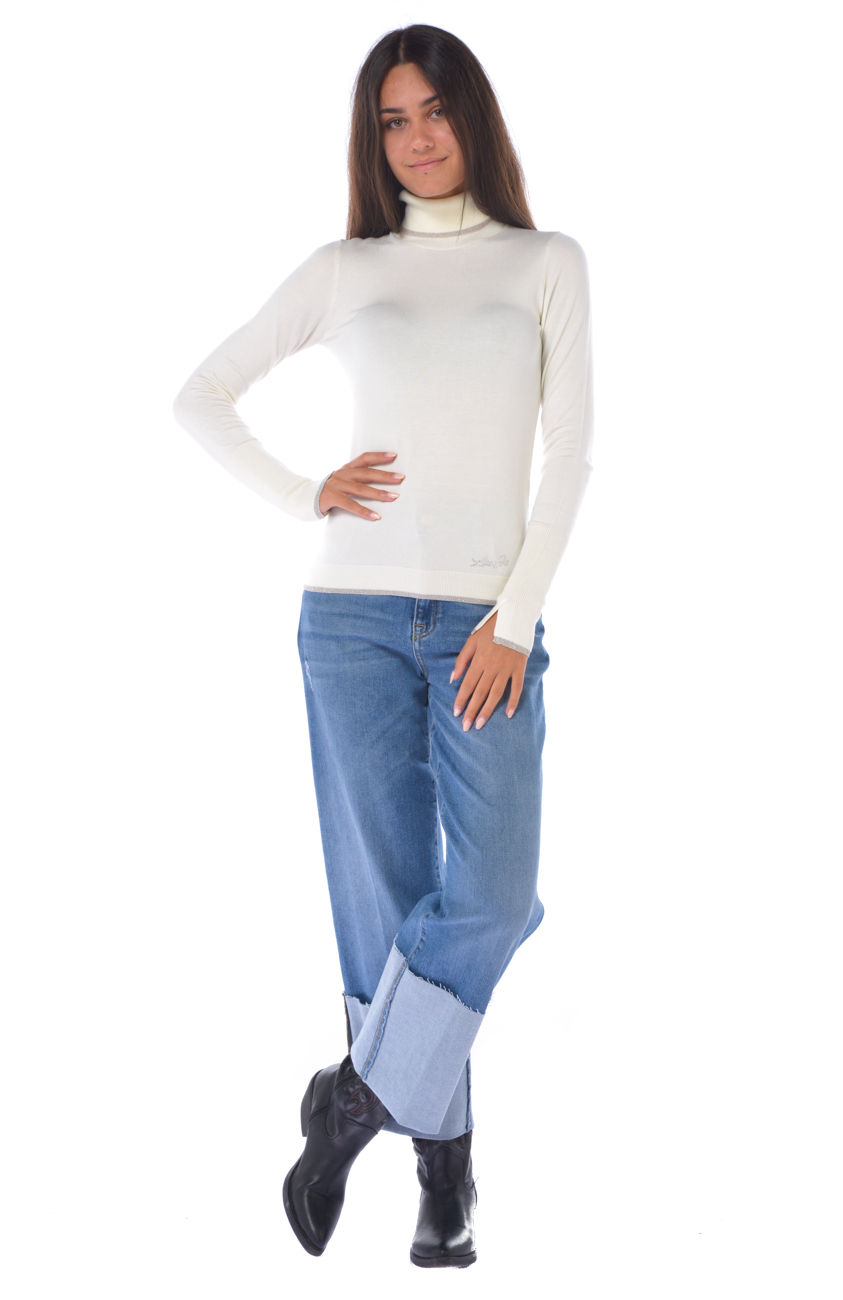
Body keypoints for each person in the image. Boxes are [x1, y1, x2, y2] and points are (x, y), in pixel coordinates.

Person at [172, 23, 593, 1269]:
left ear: (474, 114)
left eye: (434, 111)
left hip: (484, 624)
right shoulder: (345, 269)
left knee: (495, 895)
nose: (416, 138)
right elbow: (200, 395)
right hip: (350, 619)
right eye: (391, 121)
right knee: (387, 904)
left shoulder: (546, 262)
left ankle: (352, 1099)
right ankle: (444, 1180)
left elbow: (571, 456)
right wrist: (305, 491)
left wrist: (513, 619)